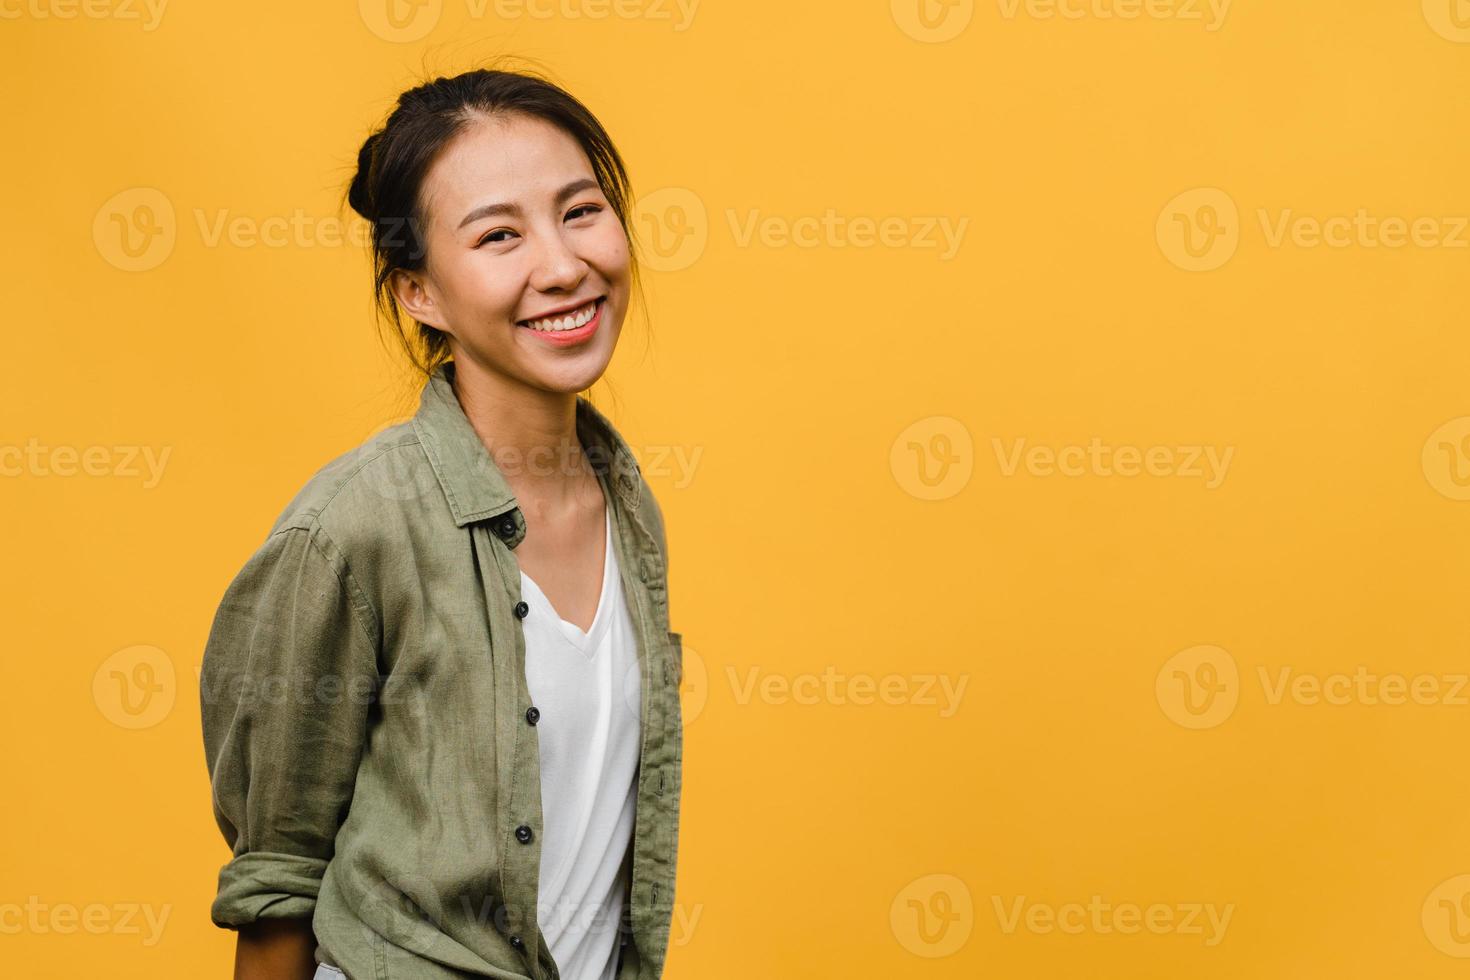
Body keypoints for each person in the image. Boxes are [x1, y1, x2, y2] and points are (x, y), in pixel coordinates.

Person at [198, 65, 684, 980]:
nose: (562, 263)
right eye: (500, 234)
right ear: (417, 292)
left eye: (580, 211)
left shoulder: (629, 505)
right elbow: (277, 883)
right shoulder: (350, 533)